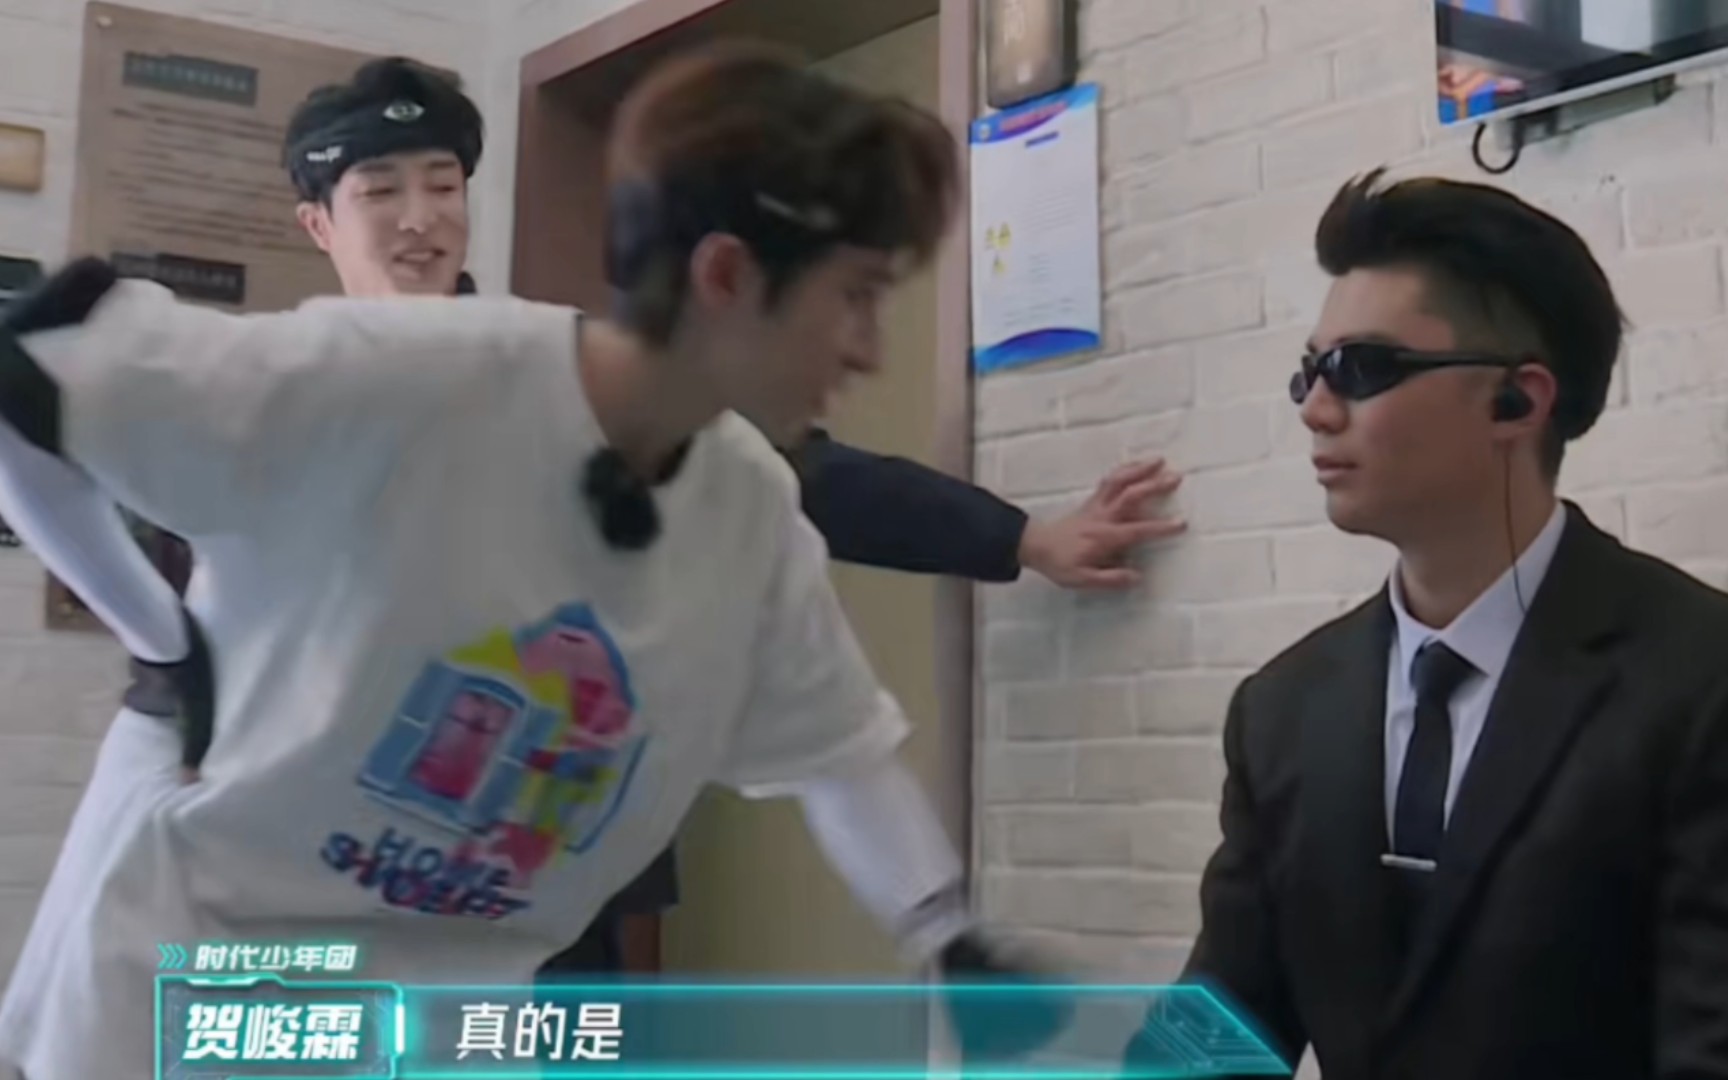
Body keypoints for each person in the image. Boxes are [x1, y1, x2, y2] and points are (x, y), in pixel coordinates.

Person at [0, 43, 1068, 1078]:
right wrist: (164, 644)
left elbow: (837, 751)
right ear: (728, 276)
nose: (869, 347)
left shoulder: (747, 502)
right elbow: (27, 385)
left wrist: (948, 939)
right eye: (855, 296)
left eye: (441, 184)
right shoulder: (390, 375)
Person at [276, 56, 1178, 979]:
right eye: (381, 190)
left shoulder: (576, 378)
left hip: (546, 871)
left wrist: (1020, 538)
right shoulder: (267, 401)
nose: (419, 218)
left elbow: (801, 479)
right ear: (319, 222)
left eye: (442, 185)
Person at [1136, 170, 1728, 1080]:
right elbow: (1215, 1034)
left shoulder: (1697, 679)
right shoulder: (1284, 710)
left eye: (1361, 370)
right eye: (1308, 372)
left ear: (1518, 401)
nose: (1315, 409)